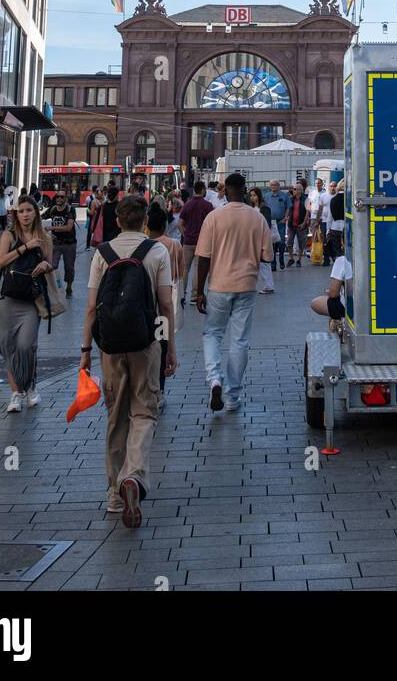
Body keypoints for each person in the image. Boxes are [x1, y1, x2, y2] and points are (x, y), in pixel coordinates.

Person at [82, 194, 178, 527]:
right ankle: (134, 477)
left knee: (116, 416)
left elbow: (92, 307)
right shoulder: (158, 252)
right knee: (144, 411)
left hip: (109, 346)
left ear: (119, 221)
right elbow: (166, 306)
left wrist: (85, 350)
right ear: (146, 222)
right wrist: (169, 348)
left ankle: (113, 494)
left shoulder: (102, 253)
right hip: (146, 342)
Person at [195, 172, 273, 412]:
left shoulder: (214, 217)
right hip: (247, 286)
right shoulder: (257, 218)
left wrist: (199, 291)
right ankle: (232, 397)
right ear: (244, 190)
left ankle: (215, 379)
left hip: (218, 285)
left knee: (212, 334)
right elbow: (267, 256)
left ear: (226, 190)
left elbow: (203, 258)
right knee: (239, 341)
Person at [0, 197, 53, 412]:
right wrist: (25, 247)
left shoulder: (45, 237)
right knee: (8, 346)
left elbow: (50, 263)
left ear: (36, 213)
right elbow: (0, 262)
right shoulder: (9, 236)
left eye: (29, 210)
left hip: (31, 300)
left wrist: (46, 264)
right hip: (9, 298)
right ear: (16, 214)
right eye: (22, 211)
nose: (26, 214)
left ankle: (30, 386)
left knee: (26, 346)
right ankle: (17, 393)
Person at [146, 206, 184, 410]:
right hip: (164, 305)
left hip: (145, 307)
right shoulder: (174, 245)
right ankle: (158, 390)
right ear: (164, 225)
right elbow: (180, 273)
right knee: (161, 348)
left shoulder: (143, 246)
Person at [179, 182, 213, 306]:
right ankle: (195, 295)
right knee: (198, 268)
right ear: (203, 190)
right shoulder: (208, 206)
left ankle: (182, 294)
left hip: (188, 242)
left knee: (185, 268)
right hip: (202, 242)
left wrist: (185, 234)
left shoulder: (187, 205)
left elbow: (180, 224)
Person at [311, 238, 351, 334]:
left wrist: (329, 291)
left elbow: (333, 293)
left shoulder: (342, 260)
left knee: (315, 303)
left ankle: (339, 322)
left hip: (350, 307)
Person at [45, 189, 78, 298]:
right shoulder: (52, 209)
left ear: (66, 199)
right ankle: (56, 288)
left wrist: (51, 228)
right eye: (57, 196)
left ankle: (69, 288)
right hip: (56, 243)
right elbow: (39, 217)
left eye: (62, 197)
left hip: (69, 244)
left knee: (69, 268)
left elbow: (68, 227)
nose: (59, 199)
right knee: (52, 267)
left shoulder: (70, 210)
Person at [249, 187, 275, 293]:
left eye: (254, 195)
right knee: (258, 263)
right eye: (251, 195)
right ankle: (264, 285)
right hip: (253, 238)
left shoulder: (264, 209)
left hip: (262, 238)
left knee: (264, 262)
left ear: (259, 196)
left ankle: (268, 285)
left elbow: (267, 225)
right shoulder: (250, 209)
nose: (252, 197)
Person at [267, 179, 289, 270]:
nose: (273, 187)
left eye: (275, 185)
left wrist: (285, 218)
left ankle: (281, 259)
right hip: (271, 222)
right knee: (272, 244)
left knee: (281, 242)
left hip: (281, 222)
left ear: (278, 186)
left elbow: (288, 207)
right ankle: (273, 264)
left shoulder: (284, 195)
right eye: (272, 185)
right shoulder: (267, 196)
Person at [285, 183, 308, 266]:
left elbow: (307, 212)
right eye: (293, 189)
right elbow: (287, 209)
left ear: (300, 191)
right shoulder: (290, 199)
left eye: (295, 189)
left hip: (301, 224)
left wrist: (304, 223)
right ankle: (291, 258)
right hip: (291, 224)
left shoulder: (305, 199)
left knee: (301, 242)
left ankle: (299, 259)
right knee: (289, 242)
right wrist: (285, 218)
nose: (293, 190)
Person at [324, 187, 345, 266]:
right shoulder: (348, 199)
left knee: (336, 247)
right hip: (345, 226)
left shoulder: (333, 200)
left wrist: (328, 230)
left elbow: (329, 217)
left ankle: (339, 264)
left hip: (335, 226)